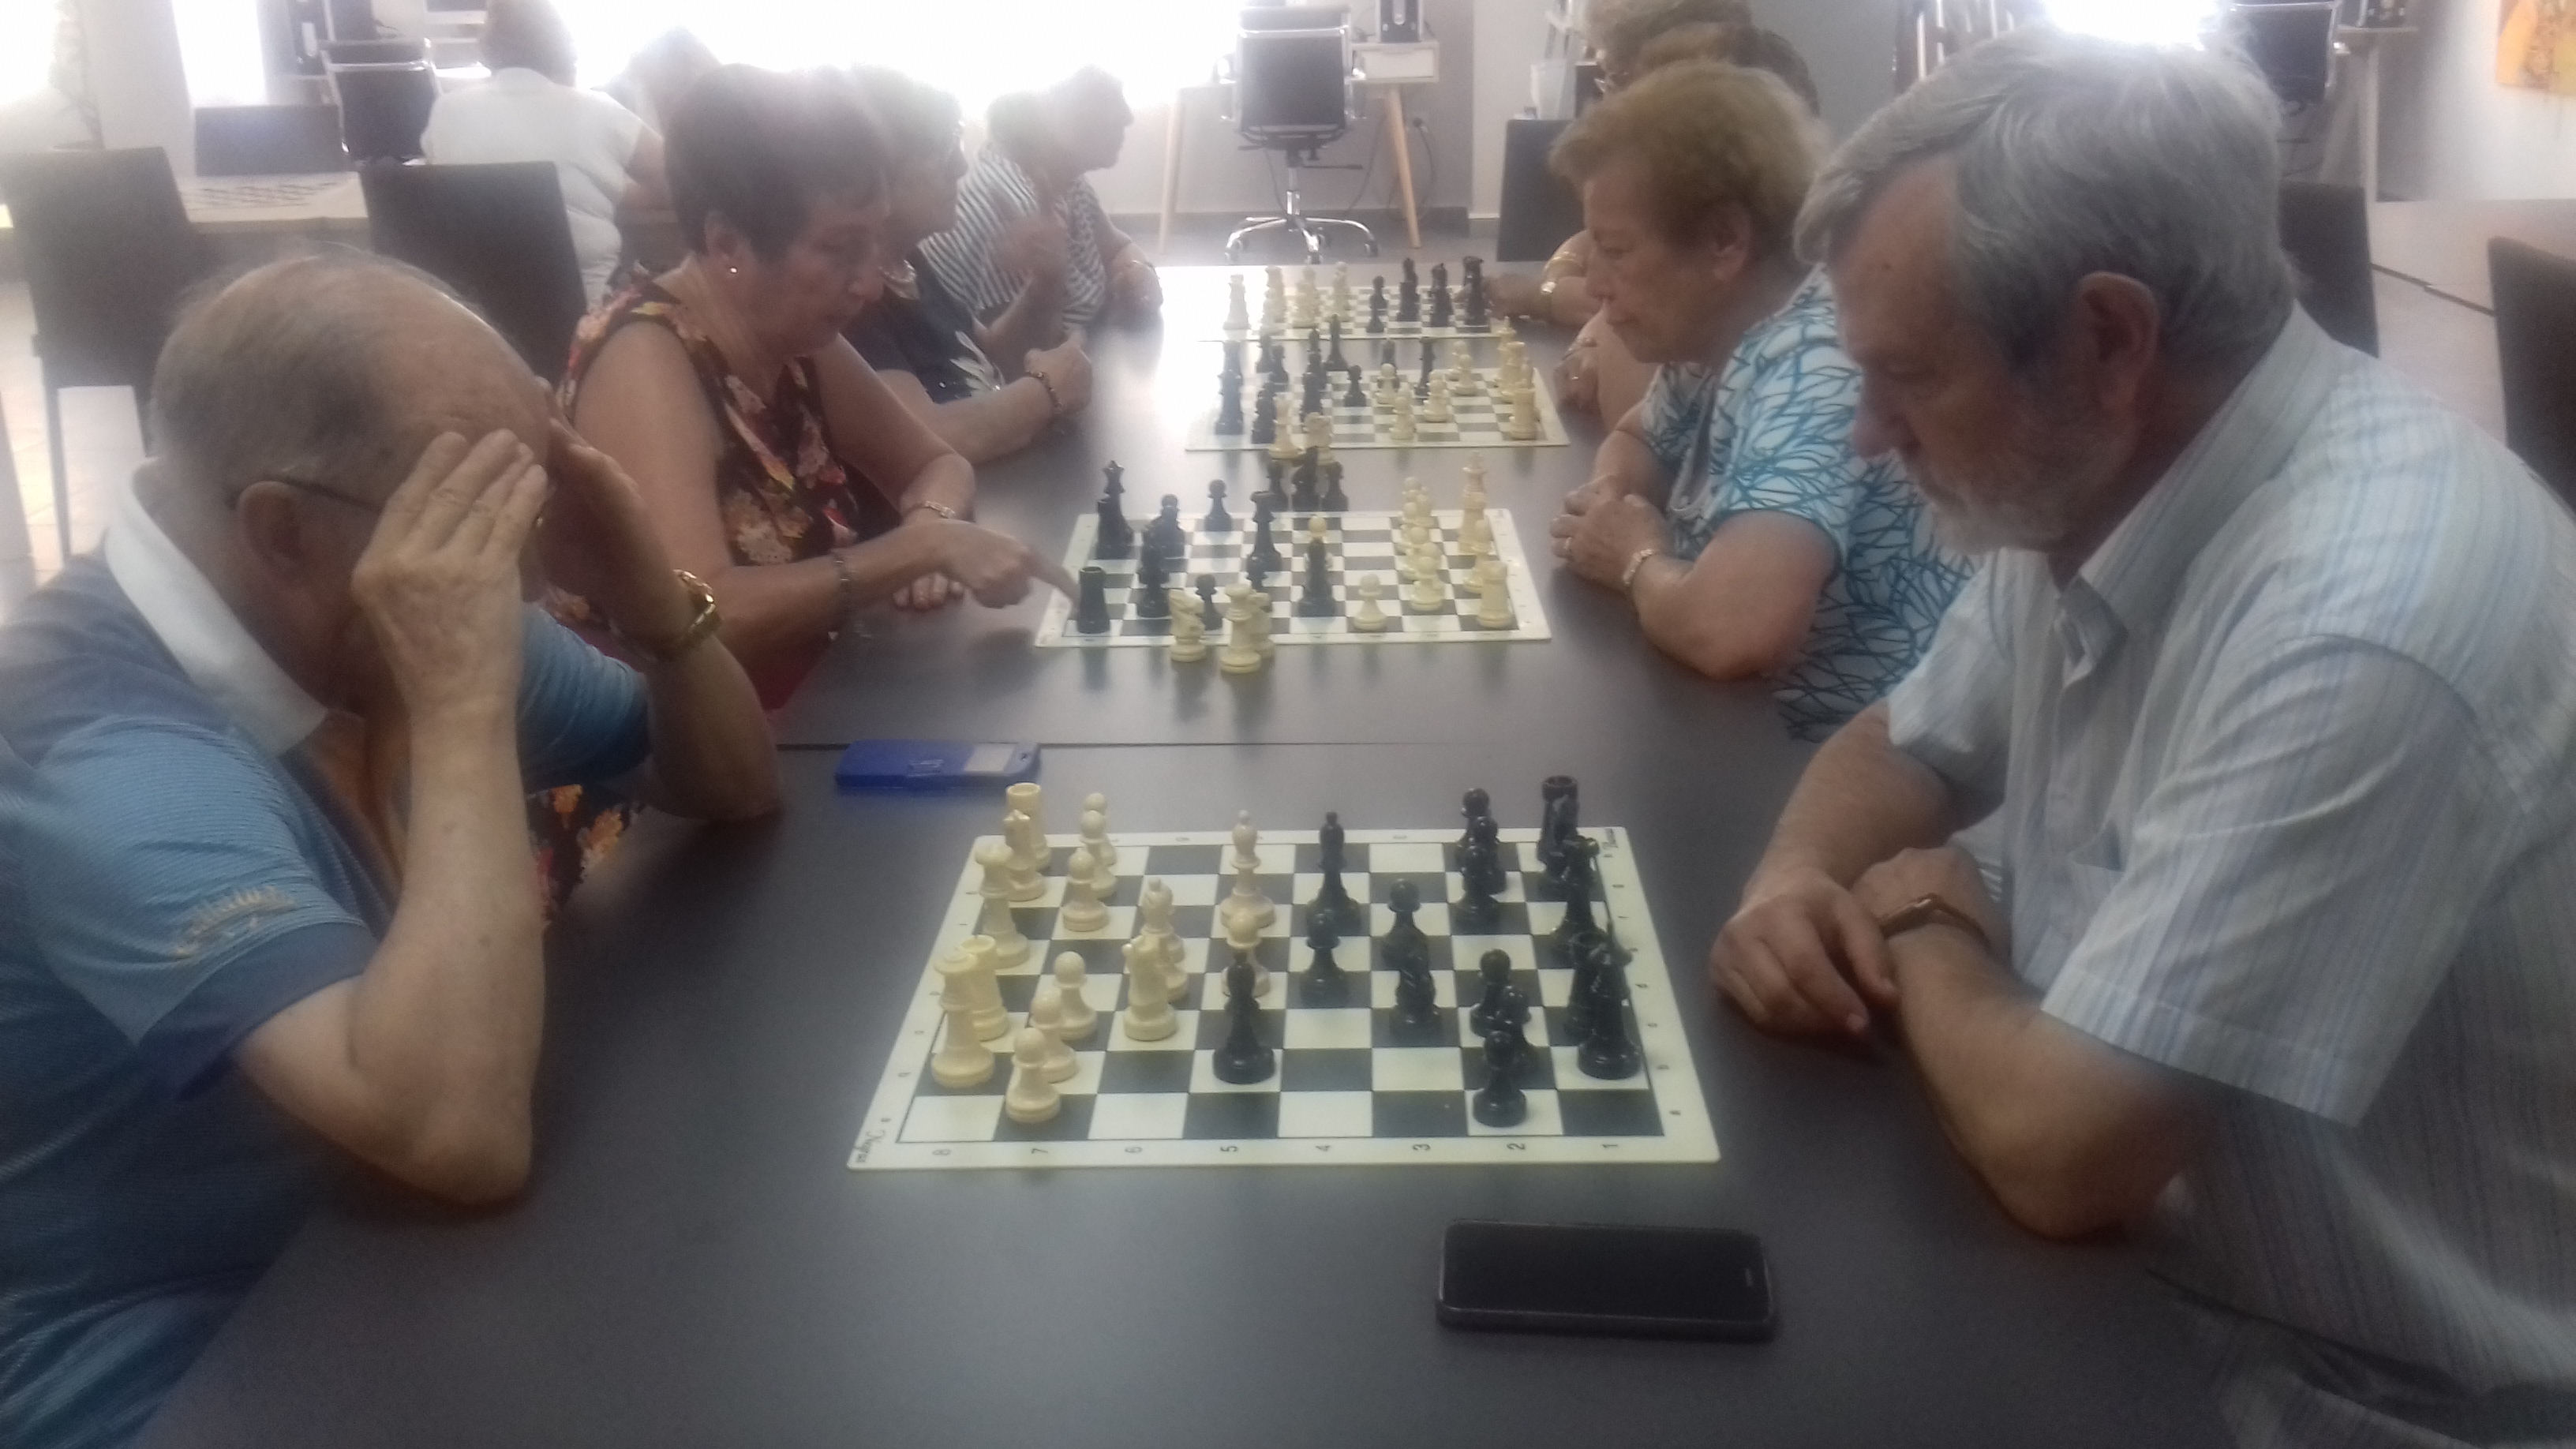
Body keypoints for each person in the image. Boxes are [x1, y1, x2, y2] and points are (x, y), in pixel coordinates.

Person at [1713, 28, 2576, 1449]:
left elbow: (2065, 1151)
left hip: (2349, 1392)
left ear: (2108, 341)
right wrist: (1790, 880)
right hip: (2138, 1290)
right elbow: (1904, 741)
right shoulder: (2086, 472)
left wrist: (1927, 923)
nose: (1866, 434)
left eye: (1906, 377)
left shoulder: (2364, 618)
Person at [0, 253, 780, 1449]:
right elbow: (456, 1133)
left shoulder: (374, 604)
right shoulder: (106, 753)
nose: (525, 575)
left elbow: (727, 783)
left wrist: (652, 601)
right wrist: (463, 704)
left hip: (400, 1261)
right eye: (475, 515)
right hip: (177, 1359)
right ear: (281, 530)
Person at [564, 66, 1072, 708]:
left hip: (811, 698)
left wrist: (930, 521)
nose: (869, 283)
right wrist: (917, 551)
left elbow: (937, 463)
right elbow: (697, 615)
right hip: (683, 744)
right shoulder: (643, 357)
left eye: (873, 244)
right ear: (727, 242)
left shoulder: (797, 339)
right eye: (840, 248)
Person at [1545, 60, 1965, 743]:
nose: (1593, 284)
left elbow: (1735, 631)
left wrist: (1634, 558)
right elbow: (1637, 437)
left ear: (1724, 242)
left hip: (1832, 755)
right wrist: (1612, 497)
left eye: (1616, 251)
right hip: (1740, 727)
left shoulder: (1817, 361)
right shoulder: (1721, 329)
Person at [1492, 12, 1822, 427]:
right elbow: (1639, 436)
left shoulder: (1800, 392)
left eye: (1620, 81)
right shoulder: (1702, 354)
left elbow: (1625, 408)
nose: (1610, 102)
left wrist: (1551, 302)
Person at [841, 66, 1094, 465]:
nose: (960, 166)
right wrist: (1046, 391)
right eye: (942, 150)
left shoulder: (907, 262)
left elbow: (991, 355)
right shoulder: (852, 298)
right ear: (878, 170)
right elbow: (923, 437)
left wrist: (1043, 286)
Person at [421, 0, 670, 306]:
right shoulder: (599, 110)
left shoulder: (446, 111)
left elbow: (438, 186)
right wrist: (616, 192)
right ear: (566, 51)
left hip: (475, 320)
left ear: (489, 49)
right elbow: (681, 180)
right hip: (589, 317)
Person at [919, 66, 1160, 335]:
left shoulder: (1064, 178)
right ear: (1046, 108)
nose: (1127, 116)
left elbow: (1117, 247)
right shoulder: (1006, 206)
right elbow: (1022, 352)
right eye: (1104, 99)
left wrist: (1138, 271)